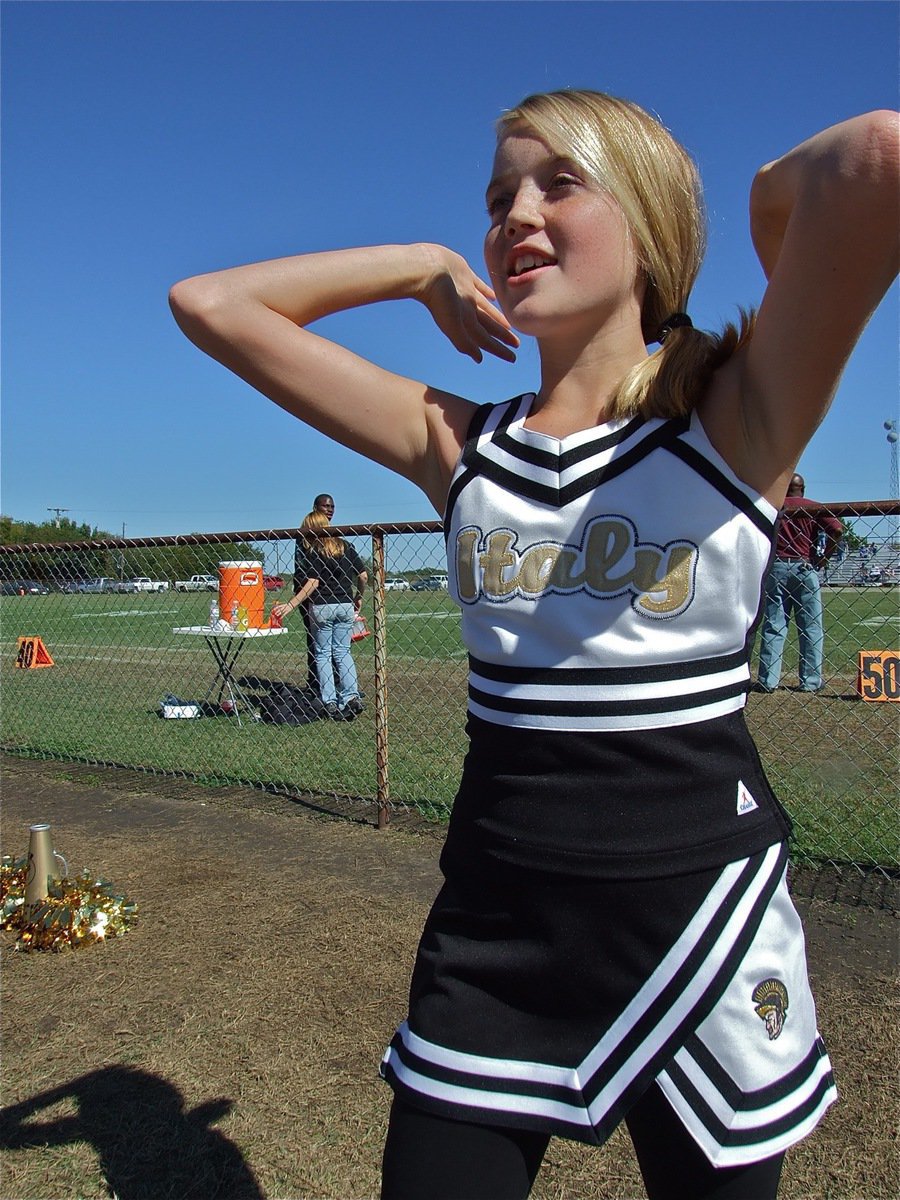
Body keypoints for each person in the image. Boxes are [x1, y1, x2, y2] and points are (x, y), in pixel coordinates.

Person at [170, 91, 898, 1200]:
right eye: (496, 198)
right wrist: (417, 264)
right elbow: (211, 303)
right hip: (498, 923)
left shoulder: (734, 421)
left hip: (699, 927)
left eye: (560, 184)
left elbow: (875, 157)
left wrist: (754, 215)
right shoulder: (456, 443)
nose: (515, 215)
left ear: (649, 222)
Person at [273, 508, 367, 719]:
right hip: (345, 605)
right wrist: (358, 596)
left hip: (322, 606)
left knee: (323, 654)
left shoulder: (316, 550)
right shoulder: (346, 546)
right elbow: (363, 575)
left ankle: (330, 700)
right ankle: (351, 697)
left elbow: (312, 583)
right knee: (343, 652)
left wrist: (290, 604)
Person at [756, 474, 844, 693]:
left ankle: (768, 681)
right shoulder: (813, 507)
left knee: (774, 625)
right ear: (803, 489)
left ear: (786, 488)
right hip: (804, 565)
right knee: (811, 627)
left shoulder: (774, 507)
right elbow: (838, 530)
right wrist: (824, 556)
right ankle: (810, 681)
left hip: (776, 566)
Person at [298, 493, 337, 693]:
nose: (330, 509)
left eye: (332, 506)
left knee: (335, 644)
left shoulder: (333, 534)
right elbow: (305, 570)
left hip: (330, 594)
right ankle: (316, 683)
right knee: (316, 640)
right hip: (309, 593)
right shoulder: (307, 533)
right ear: (315, 507)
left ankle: (335, 683)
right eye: (325, 506)